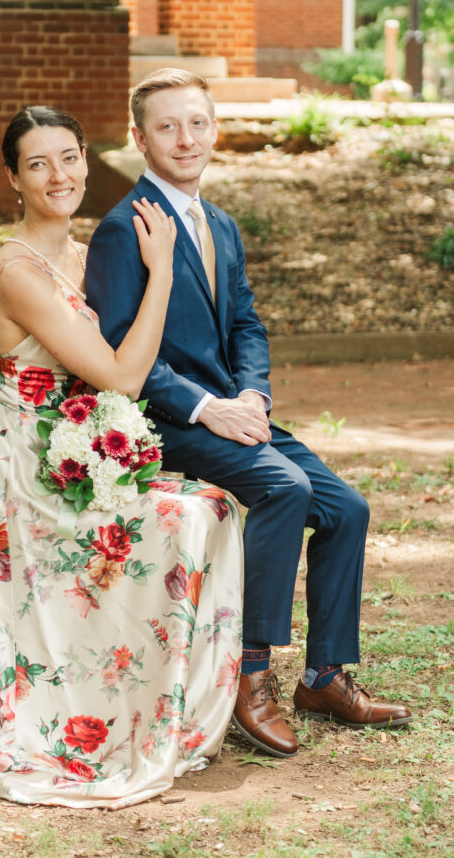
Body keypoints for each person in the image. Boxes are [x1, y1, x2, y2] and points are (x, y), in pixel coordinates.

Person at [0, 105, 244, 807]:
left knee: (205, 509)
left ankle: (146, 703)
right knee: (183, 518)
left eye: (67, 158)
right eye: (37, 164)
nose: (57, 175)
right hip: (18, 472)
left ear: (87, 161)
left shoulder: (82, 255)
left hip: (78, 448)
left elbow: (121, 374)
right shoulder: (19, 270)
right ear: (14, 178)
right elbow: (120, 374)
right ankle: (74, 708)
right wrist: (159, 272)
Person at [85, 69, 413, 760]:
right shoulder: (124, 229)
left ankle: (322, 676)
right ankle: (250, 673)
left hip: (236, 413)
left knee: (346, 508)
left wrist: (253, 395)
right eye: (167, 126)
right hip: (165, 423)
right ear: (138, 138)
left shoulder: (219, 224)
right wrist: (206, 408)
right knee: (283, 487)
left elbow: (245, 326)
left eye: (197, 123)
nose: (185, 138)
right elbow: (120, 352)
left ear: (214, 129)